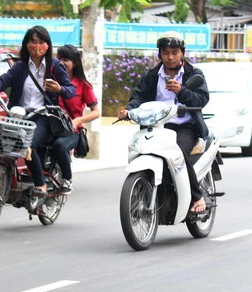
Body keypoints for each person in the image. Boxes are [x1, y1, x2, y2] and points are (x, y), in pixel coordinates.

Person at [117, 32, 210, 213]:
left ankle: (197, 197)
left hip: (185, 126)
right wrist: (129, 110)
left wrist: (181, 91)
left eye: (175, 52)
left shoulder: (194, 74)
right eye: (165, 52)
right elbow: (138, 97)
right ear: (159, 54)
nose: (170, 57)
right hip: (157, 127)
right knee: (143, 151)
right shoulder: (151, 76)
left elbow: (202, 99)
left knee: (178, 156)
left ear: (182, 53)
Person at [0, 25, 75, 196]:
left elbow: (70, 90)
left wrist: (59, 89)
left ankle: (40, 184)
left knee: (28, 144)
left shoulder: (54, 66)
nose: (37, 46)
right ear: (26, 44)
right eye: (33, 42)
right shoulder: (20, 67)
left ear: (48, 45)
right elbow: (5, 79)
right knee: (4, 144)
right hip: (19, 115)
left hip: (44, 116)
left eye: (41, 42)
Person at [54, 44, 101, 194]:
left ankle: (67, 179)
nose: (61, 62)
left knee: (59, 146)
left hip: (71, 130)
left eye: (65, 59)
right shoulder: (51, 80)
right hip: (50, 126)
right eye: (59, 58)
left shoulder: (83, 85)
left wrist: (78, 121)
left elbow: (96, 112)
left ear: (74, 63)